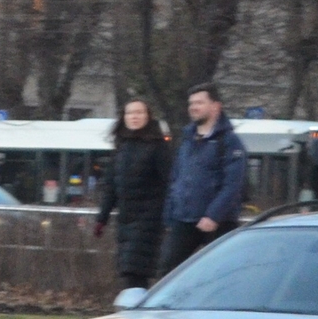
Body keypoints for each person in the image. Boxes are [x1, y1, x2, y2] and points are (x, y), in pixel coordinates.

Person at [160, 83, 247, 275]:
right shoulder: (187, 140)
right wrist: (170, 214)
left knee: (220, 275)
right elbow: (176, 179)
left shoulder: (230, 142)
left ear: (216, 106)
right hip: (183, 219)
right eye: (191, 103)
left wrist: (213, 215)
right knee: (167, 272)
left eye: (199, 102)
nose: (193, 107)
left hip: (218, 223)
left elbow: (233, 184)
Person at [94, 98, 169, 291]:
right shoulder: (122, 147)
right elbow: (111, 185)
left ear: (148, 117)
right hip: (126, 218)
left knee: (135, 269)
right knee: (128, 269)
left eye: (139, 112)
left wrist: (167, 214)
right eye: (130, 113)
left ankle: (137, 308)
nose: (134, 117)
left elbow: (169, 183)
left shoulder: (158, 147)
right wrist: (101, 218)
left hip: (149, 218)